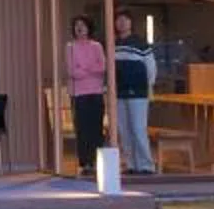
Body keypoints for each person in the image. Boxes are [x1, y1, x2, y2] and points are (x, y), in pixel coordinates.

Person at [113, 11, 157, 174]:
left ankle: (146, 165)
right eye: (118, 20)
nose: (121, 23)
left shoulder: (140, 43)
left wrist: (149, 87)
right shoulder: (114, 43)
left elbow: (151, 67)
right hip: (119, 92)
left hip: (138, 92)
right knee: (124, 130)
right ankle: (130, 164)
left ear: (131, 23)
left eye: (125, 20)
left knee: (138, 128)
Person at [63, 14, 106, 178]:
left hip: (96, 92)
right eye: (76, 25)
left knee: (96, 128)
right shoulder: (70, 46)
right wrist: (90, 68)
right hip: (78, 93)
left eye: (82, 25)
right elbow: (72, 72)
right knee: (82, 129)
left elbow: (102, 67)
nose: (79, 28)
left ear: (89, 28)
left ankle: (96, 162)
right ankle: (84, 162)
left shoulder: (97, 46)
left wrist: (84, 68)